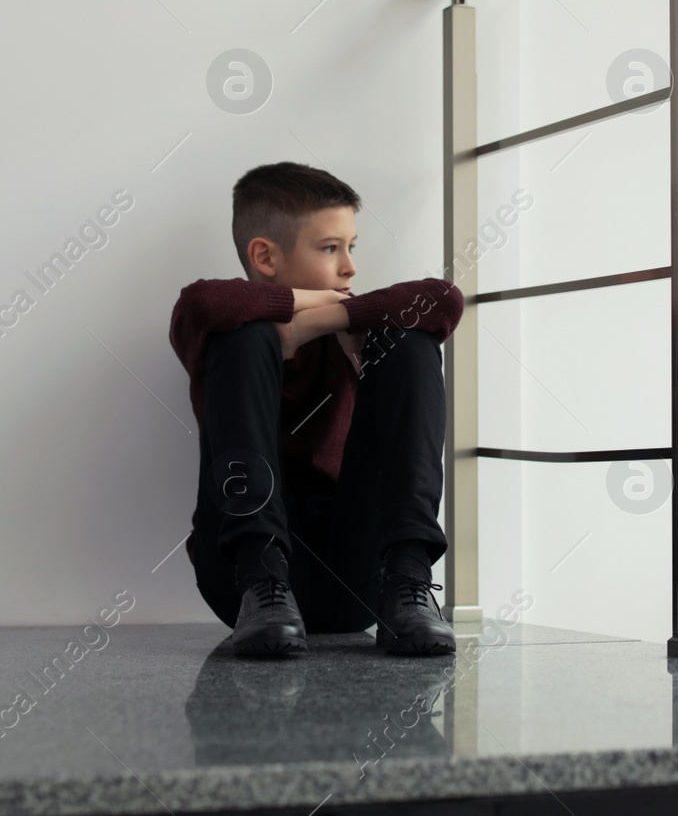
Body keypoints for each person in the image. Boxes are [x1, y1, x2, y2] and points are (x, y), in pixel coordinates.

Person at [169, 161, 463, 656]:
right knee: (245, 335)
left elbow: (442, 298)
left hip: (357, 575)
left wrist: (324, 320)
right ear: (264, 255)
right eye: (330, 248)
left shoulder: (357, 325)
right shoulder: (218, 321)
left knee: (407, 340)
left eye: (351, 247)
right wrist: (291, 313)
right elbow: (203, 303)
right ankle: (264, 577)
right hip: (242, 585)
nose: (349, 266)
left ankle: (411, 580)